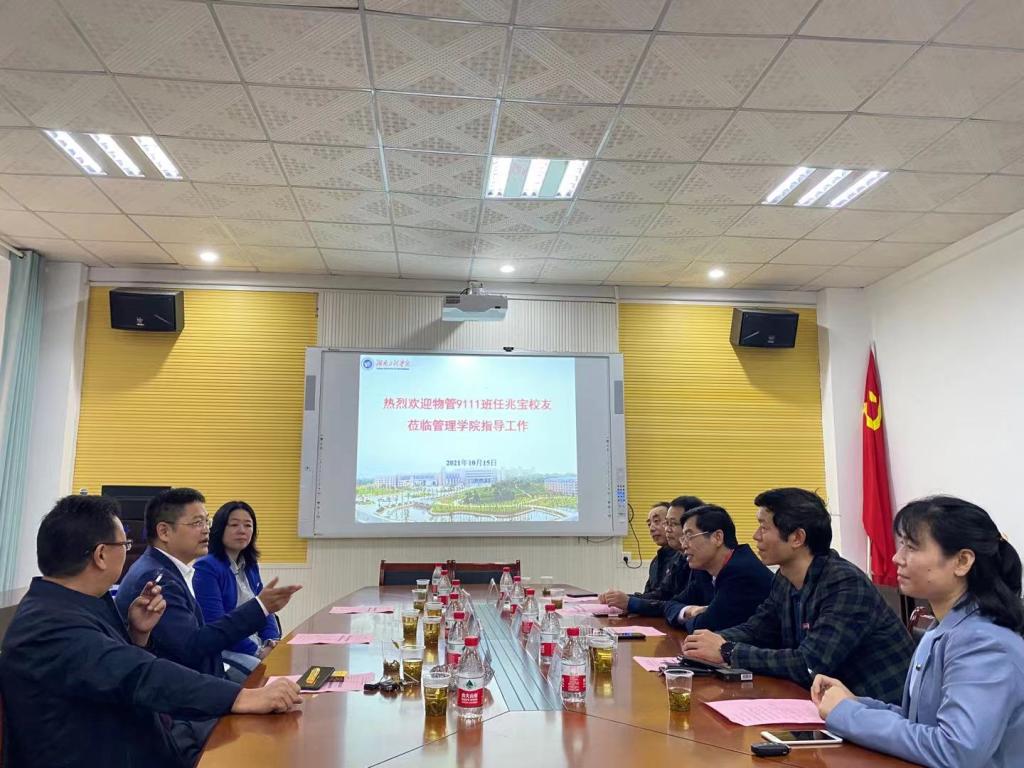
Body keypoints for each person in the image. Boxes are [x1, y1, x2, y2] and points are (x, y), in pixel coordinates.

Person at [0, 494, 302, 768]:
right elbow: (139, 674)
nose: (128, 552)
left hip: (143, 735)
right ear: (101, 555)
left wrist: (137, 635)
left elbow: (106, 671)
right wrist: (240, 697)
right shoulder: (48, 624)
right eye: (124, 545)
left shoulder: (77, 603)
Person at [812, 496, 1024, 768]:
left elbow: (956, 750)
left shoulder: (984, 642)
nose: (896, 558)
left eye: (911, 547)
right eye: (901, 545)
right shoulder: (944, 626)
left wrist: (848, 714)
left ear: (962, 561)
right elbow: (921, 721)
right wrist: (855, 704)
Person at [682, 488, 914, 703]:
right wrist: (709, 641)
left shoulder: (844, 583)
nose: (755, 536)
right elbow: (757, 630)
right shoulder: (785, 579)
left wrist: (727, 651)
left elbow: (809, 664)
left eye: (764, 527)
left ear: (797, 538)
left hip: (877, 711)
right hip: (824, 704)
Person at [116, 487, 301, 681]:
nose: (206, 529)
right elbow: (192, 646)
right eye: (197, 523)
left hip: (198, 674)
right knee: (271, 681)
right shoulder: (156, 578)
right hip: (184, 685)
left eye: (207, 521)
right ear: (164, 532)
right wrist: (260, 607)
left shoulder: (167, 569)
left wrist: (270, 635)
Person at [194, 501, 282, 674]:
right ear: (219, 529)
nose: (242, 530)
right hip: (225, 649)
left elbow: (265, 608)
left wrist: (272, 641)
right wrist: (258, 652)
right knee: (267, 674)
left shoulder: (250, 564)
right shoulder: (206, 567)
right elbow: (216, 625)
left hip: (255, 645)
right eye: (234, 525)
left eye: (248, 525)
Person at [664, 504, 773, 632]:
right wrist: (690, 611)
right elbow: (670, 605)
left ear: (717, 537)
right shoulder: (705, 571)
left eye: (689, 536)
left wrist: (693, 617)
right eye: (683, 538)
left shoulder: (742, 573)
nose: (683, 545)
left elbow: (703, 626)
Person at [599, 496, 706, 615]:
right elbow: (666, 598)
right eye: (666, 523)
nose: (667, 529)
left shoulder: (702, 565)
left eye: (673, 523)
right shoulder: (679, 560)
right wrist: (624, 600)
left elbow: (678, 605)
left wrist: (631, 603)